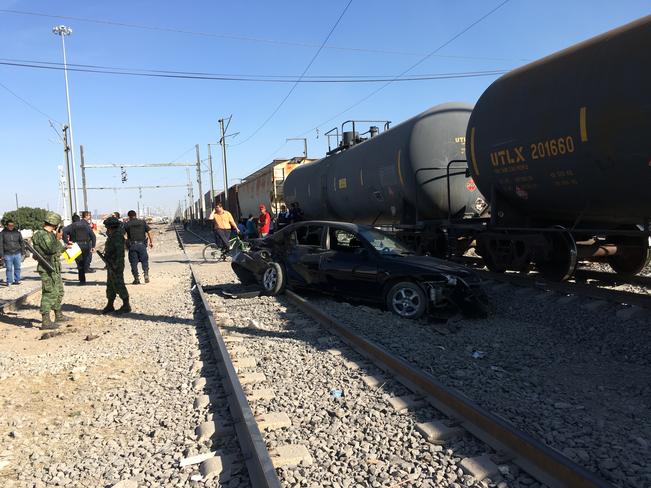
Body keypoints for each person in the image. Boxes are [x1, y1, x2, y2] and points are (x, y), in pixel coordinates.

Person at [32, 211, 71, 329]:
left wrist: (65, 246)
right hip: (47, 268)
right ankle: (46, 321)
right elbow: (51, 249)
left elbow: (57, 249)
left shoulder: (49, 235)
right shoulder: (42, 235)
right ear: (55, 224)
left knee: (59, 291)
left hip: (54, 267)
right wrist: (58, 238)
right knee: (49, 293)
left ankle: (58, 315)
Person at [102, 216, 130, 314]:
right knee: (110, 285)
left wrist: (116, 265)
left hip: (115, 264)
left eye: (107, 227)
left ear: (110, 227)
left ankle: (126, 305)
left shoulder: (117, 236)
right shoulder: (112, 235)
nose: (106, 229)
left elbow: (119, 253)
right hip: (111, 264)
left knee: (119, 284)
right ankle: (110, 304)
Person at [63, 213, 96, 285]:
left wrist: (67, 242)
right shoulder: (86, 225)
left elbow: (64, 232)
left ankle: (82, 280)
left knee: (79, 264)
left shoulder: (72, 226)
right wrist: (93, 246)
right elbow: (93, 236)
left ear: (73, 220)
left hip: (76, 246)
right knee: (85, 261)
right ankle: (85, 271)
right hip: (86, 245)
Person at [123, 210, 153, 284]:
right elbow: (149, 231)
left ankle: (136, 279)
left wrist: (127, 242)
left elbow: (123, 235)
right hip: (142, 245)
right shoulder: (142, 222)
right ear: (135, 215)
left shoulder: (127, 224)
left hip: (132, 245)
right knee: (144, 260)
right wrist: (151, 242)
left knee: (133, 262)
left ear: (129, 216)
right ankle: (146, 274)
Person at [0, 219, 25, 286]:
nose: (11, 226)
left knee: (17, 268)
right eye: (9, 225)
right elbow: (0, 245)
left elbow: (22, 242)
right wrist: (2, 255)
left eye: (12, 225)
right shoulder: (2, 233)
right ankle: (9, 281)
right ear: (6, 225)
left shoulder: (17, 232)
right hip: (7, 254)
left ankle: (17, 280)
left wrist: (23, 252)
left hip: (17, 253)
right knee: (9, 268)